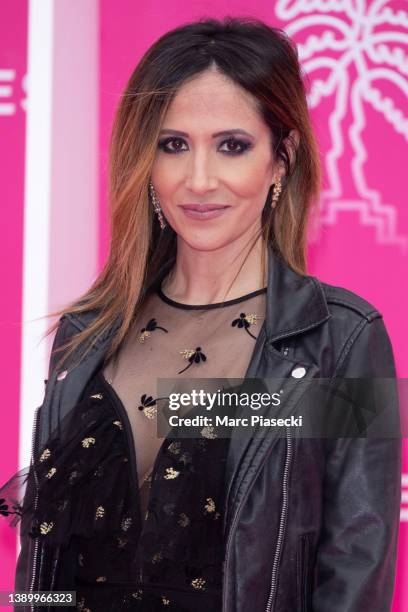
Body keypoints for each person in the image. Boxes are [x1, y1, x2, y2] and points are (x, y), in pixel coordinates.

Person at [0, 16, 402, 612]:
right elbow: (50, 567)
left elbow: (354, 567)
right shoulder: (87, 334)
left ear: (281, 158)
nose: (199, 178)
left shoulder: (340, 340)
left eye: (232, 146)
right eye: (173, 144)